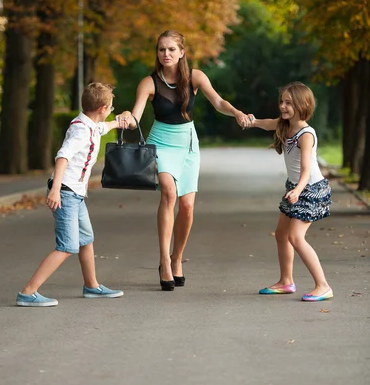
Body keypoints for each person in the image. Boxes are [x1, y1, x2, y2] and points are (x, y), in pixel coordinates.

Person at [119, 29, 251, 291]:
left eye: (171, 49)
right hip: (162, 143)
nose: (165, 54)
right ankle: (163, 261)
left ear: (181, 52)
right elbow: (136, 117)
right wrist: (126, 117)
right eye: (161, 49)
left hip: (189, 144)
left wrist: (236, 112)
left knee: (187, 205)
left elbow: (219, 102)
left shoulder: (196, 78)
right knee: (168, 192)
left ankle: (177, 257)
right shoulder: (149, 82)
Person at [16, 82, 124, 307]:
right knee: (67, 246)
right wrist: (55, 190)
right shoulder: (80, 131)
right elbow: (62, 157)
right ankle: (28, 292)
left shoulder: (91, 124)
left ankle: (92, 286)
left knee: (86, 239)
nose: (111, 112)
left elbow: (102, 128)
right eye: (111, 108)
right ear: (102, 108)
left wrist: (119, 121)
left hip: (75, 194)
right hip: (65, 193)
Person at [247, 81, 333, 301]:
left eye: (289, 103)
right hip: (294, 188)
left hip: (311, 189)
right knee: (281, 234)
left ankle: (323, 285)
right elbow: (268, 124)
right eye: (282, 102)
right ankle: (286, 282)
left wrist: (297, 191)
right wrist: (252, 121)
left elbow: (306, 171)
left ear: (302, 104)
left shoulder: (306, 133)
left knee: (295, 237)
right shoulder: (284, 125)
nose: (283, 106)